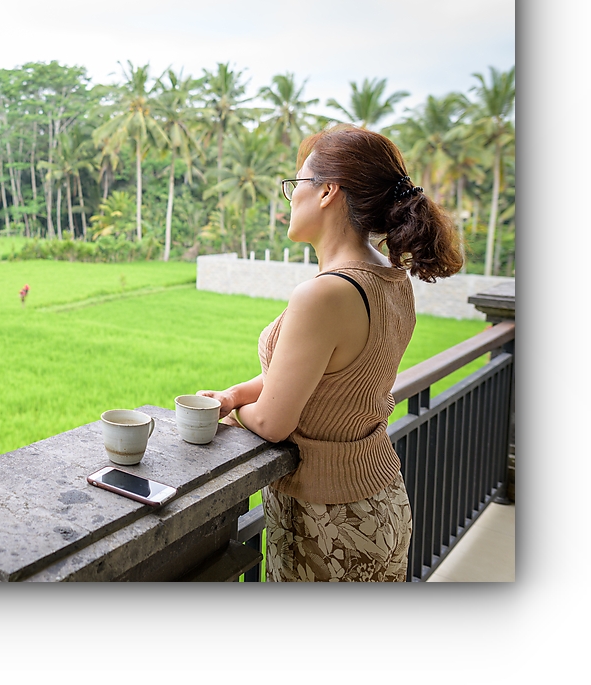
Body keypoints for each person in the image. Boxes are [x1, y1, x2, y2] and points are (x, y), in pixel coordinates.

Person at [197, 125, 463, 582]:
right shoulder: (391, 280)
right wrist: (235, 394)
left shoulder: (323, 295)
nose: (290, 197)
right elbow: (322, 376)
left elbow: (273, 422)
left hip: (327, 523)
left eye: (296, 184)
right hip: (379, 503)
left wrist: (232, 417)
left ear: (326, 192)